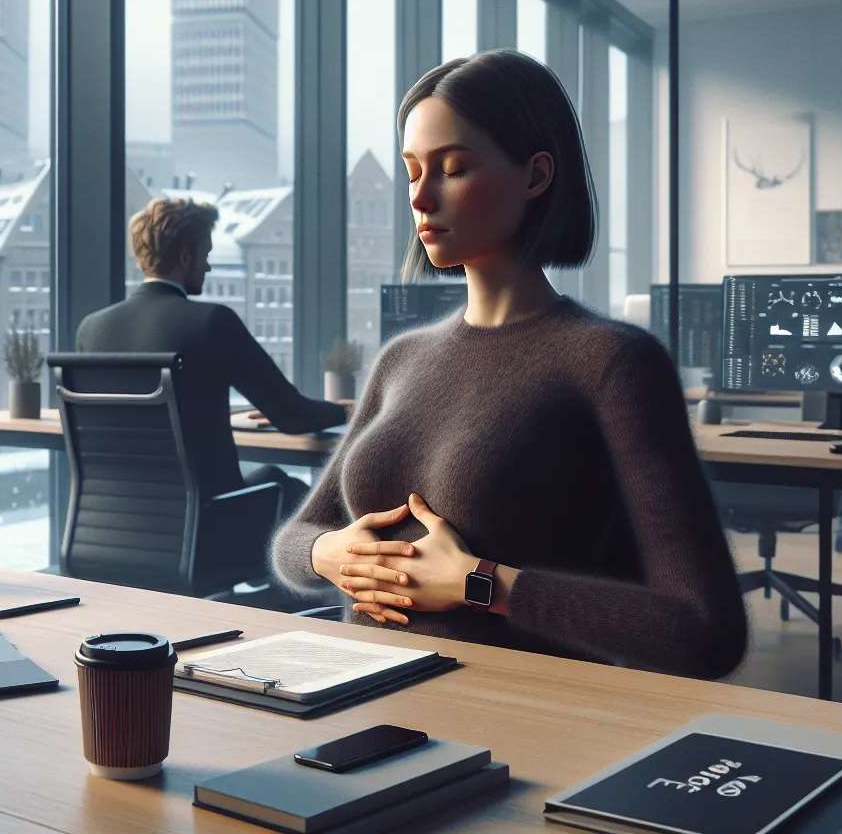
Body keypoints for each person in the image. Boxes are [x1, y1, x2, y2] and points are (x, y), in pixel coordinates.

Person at [269, 50, 747, 679]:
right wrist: (332, 552)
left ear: (536, 174)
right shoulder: (401, 360)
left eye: (454, 168)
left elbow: (705, 631)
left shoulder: (611, 363)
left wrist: (479, 585)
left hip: (514, 722)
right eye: (413, 172)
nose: (421, 196)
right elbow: (294, 543)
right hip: (361, 696)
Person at [77, 197, 349, 521]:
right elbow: (293, 416)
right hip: (205, 530)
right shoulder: (211, 323)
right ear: (185, 255)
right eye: (205, 254)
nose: (207, 266)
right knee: (293, 491)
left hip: (112, 528)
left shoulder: (90, 330)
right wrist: (347, 410)